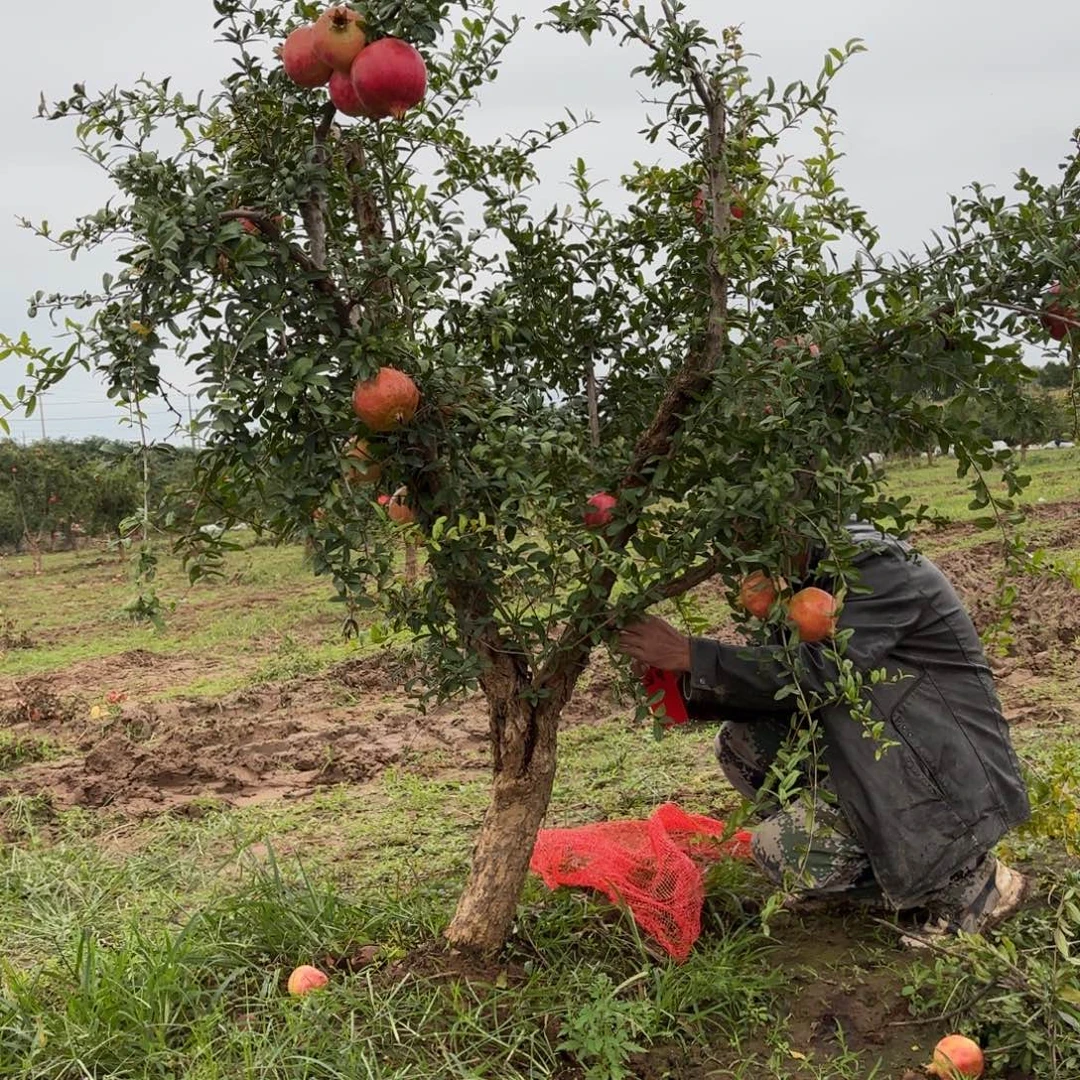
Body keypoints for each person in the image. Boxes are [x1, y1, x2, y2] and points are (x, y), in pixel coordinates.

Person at [617, 520, 1032, 946]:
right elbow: (786, 684)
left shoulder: (875, 567)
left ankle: (972, 885)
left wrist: (690, 653)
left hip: (936, 760)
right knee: (741, 745)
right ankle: (881, 874)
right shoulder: (803, 576)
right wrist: (683, 678)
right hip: (880, 748)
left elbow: (822, 671)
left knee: (784, 850)